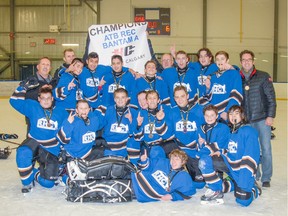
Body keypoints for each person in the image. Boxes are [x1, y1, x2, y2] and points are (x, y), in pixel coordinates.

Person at [199, 105, 261, 206]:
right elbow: (231, 149)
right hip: (231, 168)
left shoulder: (248, 131)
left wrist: (243, 182)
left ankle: (254, 188)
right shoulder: (231, 131)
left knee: (242, 200)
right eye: (230, 114)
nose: (233, 116)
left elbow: (251, 157)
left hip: (243, 172)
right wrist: (221, 151)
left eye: (236, 113)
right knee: (204, 161)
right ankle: (216, 190)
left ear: (242, 115)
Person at [10, 86, 66, 193]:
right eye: (43, 98)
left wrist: (64, 149)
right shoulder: (33, 106)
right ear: (39, 99)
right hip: (34, 143)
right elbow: (14, 101)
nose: (46, 101)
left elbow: (69, 129)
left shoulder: (61, 112)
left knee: (48, 184)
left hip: (51, 149)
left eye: (48, 98)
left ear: (52, 99)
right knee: (23, 152)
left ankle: (33, 172)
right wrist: (23, 88)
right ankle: (27, 182)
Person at [239, 50, 276, 187]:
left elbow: (271, 98)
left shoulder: (263, 76)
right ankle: (255, 174)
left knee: (265, 149)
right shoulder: (238, 77)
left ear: (253, 61)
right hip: (247, 121)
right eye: (244, 60)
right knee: (251, 150)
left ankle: (266, 177)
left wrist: (270, 116)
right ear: (241, 62)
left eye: (249, 59)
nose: (246, 62)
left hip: (262, 119)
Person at [155, 85, 205, 188]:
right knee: (156, 151)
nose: (180, 99)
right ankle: (168, 175)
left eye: (182, 96)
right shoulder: (173, 111)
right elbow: (166, 135)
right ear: (174, 98)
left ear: (187, 96)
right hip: (178, 146)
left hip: (194, 150)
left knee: (199, 184)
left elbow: (207, 130)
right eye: (177, 97)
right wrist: (160, 121)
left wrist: (201, 147)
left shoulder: (199, 109)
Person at [56, 100, 104, 184]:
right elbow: (62, 139)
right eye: (81, 108)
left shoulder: (94, 120)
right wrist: (68, 124)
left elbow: (104, 111)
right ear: (76, 110)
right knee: (76, 182)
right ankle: (64, 173)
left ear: (89, 109)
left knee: (103, 153)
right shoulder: (71, 121)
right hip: (73, 155)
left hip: (87, 153)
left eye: (86, 108)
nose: (84, 111)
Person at [131, 148, 196, 202]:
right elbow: (148, 166)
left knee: (124, 188)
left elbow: (189, 193)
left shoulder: (184, 176)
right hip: (140, 178)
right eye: (172, 159)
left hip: (149, 191)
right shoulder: (163, 162)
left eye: (177, 159)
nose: (173, 162)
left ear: (183, 162)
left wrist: (172, 196)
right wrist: (144, 160)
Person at [100, 88, 138, 163]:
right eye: (118, 97)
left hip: (124, 148)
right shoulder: (108, 110)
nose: (120, 100)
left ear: (127, 99)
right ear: (114, 99)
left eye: (123, 97)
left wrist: (131, 121)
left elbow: (133, 134)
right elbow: (100, 125)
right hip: (109, 146)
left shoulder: (133, 112)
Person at [204, 51, 243, 122]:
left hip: (227, 114)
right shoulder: (213, 76)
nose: (220, 61)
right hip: (214, 115)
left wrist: (228, 111)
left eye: (222, 59)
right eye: (217, 59)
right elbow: (209, 97)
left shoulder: (234, 74)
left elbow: (236, 95)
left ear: (227, 60)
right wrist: (207, 88)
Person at [134, 90, 170, 158]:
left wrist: (159, 120)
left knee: (156, 152)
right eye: (150, 98)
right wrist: (138, 125)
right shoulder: (141, 114)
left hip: (161, 146)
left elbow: (166, 136)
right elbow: (138, 138)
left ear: (158, 100)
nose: (152, 101)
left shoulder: (165, 111)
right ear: (146, 101)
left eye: (154, 98)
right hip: (147, 146)